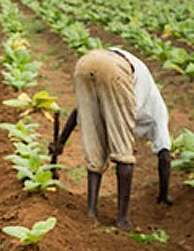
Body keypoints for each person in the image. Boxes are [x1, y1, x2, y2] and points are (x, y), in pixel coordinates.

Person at [51, 47, 172, 230]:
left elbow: (80, 112)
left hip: (86, 62)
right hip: (116, 70)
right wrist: (164, 194)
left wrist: (60, 142)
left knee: (95, 146)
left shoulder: (146, 90)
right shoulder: (158, 112)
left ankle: (91, 211)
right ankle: (122, 219)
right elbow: (164, 156)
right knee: (123, 153)